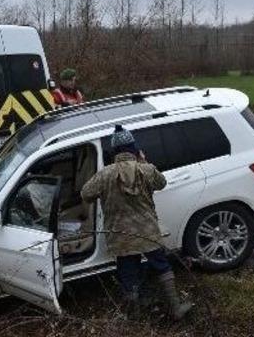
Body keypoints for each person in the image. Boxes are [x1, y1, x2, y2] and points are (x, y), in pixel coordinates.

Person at [81, 125, 193, 320]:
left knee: (128, 272)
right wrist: (143, 161)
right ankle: (176, 308)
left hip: (122, 236)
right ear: (134, 148)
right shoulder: (147, 170)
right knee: (161, 265)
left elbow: (85, 194)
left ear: (114, 151)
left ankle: (135, 317)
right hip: (147, 231)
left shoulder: (105, 174)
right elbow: (162, 183)